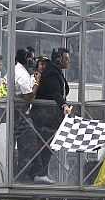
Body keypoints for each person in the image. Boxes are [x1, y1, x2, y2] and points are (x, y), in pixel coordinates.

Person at [29, 48, 73, 183]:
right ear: (59, 59)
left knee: (48, 143)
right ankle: (38, 173)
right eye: (66, 58)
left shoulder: (54, 71)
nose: (68, 61)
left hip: (49, 116)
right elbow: (55, 93)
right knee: (45, 143)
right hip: (45, 116)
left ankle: (41, 172)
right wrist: (64, 105)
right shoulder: (52, 72)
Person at [13, 48, 42, 182]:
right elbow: (29, 97)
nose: (33, 61)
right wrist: (37, 81)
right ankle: (22, 176)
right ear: (25, 59)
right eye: (31, 58)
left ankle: (20, 174)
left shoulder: (17, 71)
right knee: (30, 143)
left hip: (12, 113)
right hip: (17, 114)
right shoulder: (22, 74)